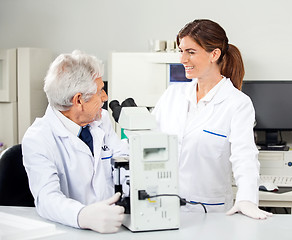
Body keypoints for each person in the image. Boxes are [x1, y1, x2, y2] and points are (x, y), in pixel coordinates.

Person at [153, 19, 272, 219]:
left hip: (210, 211)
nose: (182, 59)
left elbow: (244, 156)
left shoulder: (237, 103)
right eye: (180, 51)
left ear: (214, 54)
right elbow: (147, 142)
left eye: (190, 52)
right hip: (164, 207)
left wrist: (247, 199)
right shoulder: (171, 96)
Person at [22, 50, 128, 233]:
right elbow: (46, 198)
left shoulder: (101, 120)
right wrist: (82, 215)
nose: (105, 97)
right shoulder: (38, 138)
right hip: (70, 231)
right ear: (78, 100)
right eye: (100, 91)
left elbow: (122, 158)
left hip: (115, 227)